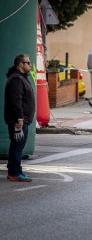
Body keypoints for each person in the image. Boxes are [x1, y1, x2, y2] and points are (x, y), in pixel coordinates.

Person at [4, 54, 35, 182]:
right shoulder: (16, 79)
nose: (30, 64)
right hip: (18, 121)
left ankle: (13, 171)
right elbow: (16, 101)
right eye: (28, 62)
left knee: (17, 145)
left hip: (21, 119)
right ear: (20, 64)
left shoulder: (21, 78)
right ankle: (15, 172)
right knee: (18, 145)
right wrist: (20, 120)